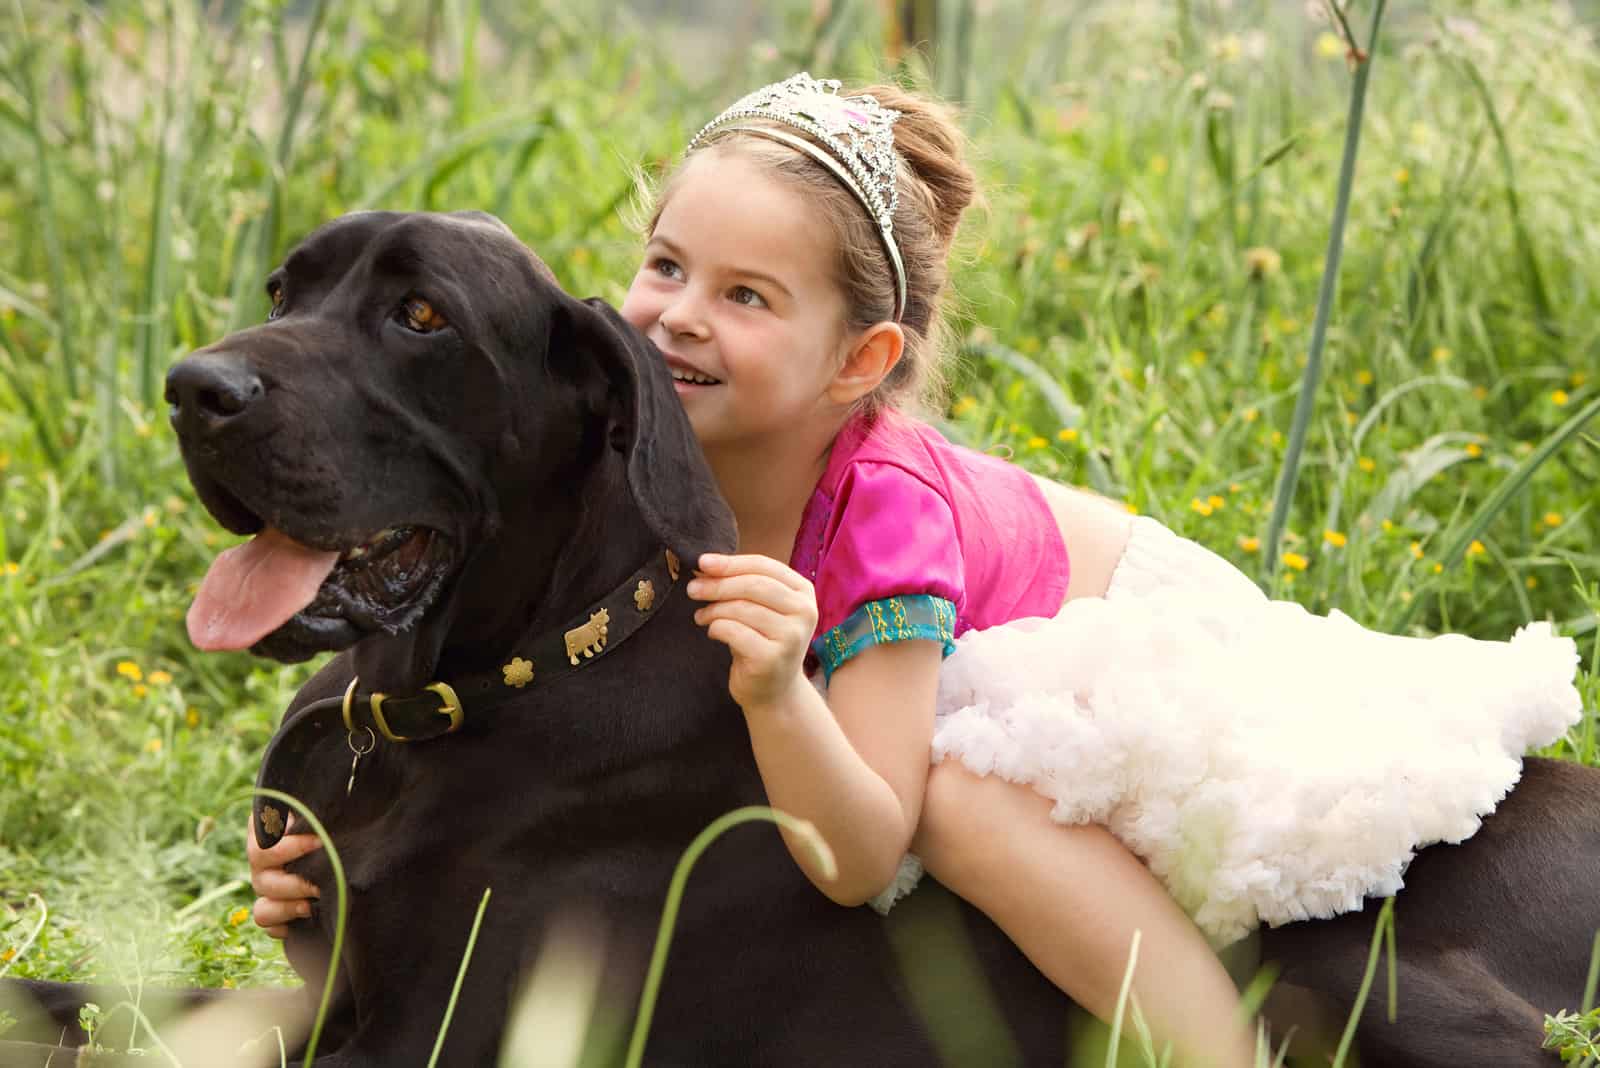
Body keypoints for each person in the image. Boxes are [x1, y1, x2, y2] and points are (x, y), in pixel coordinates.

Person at [250, 73, 1581, 1068]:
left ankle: (1215, 1050)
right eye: (666, 265)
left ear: (861, 362)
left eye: (748, 296)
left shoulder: (880, 514)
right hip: (908, 664)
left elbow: (856, 845)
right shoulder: (655, 437)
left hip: (1106, 654)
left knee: (962, 814)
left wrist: (781, 694)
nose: (676, 317)